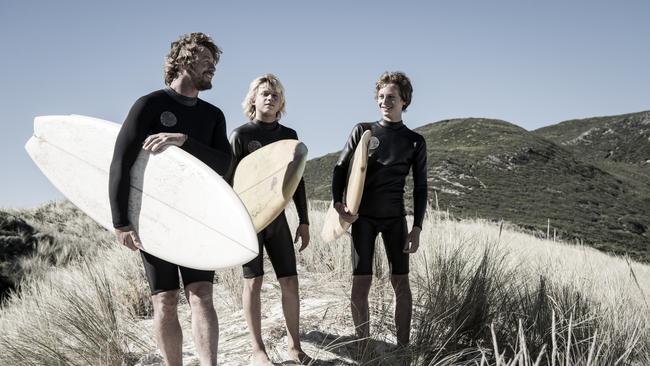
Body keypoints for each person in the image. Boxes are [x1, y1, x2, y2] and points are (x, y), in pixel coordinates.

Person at [108, 32, 231, 366]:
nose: (213, 68)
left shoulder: (213, 115)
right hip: (155, 218)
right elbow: (121, 162)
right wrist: (121, 221)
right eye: (207, 60)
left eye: (214, 63)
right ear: (184, 59)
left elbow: (224, 164)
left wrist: (183, 140)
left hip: (196, 218)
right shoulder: (149, 105)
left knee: (202, 295)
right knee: (165, 299)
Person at [331, 71, 427, 351]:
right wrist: (339, 204)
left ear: (404, 100)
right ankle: (363, 346)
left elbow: (421, 187)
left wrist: (417, 228)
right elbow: (339, 168)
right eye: (381, 97)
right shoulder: (363, 131)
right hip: (363, 219)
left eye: (391, 97)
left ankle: (403, 347)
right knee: (361, 284)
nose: (385, 101)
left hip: (395, 219)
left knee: (401, 284)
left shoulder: (415, 141)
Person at [228, 74, 312, 365]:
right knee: (253, 282)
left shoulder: (289, 135)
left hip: (277, 220)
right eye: (264, 93)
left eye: (275, 95)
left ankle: (294, 347)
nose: (270, 98)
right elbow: (232, 183)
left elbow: (297, 181)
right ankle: (257, 349)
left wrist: (303, 220)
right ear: (253, 99)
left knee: (290, 281)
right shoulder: (240, 135)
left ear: (282, 102)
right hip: (250, 221)